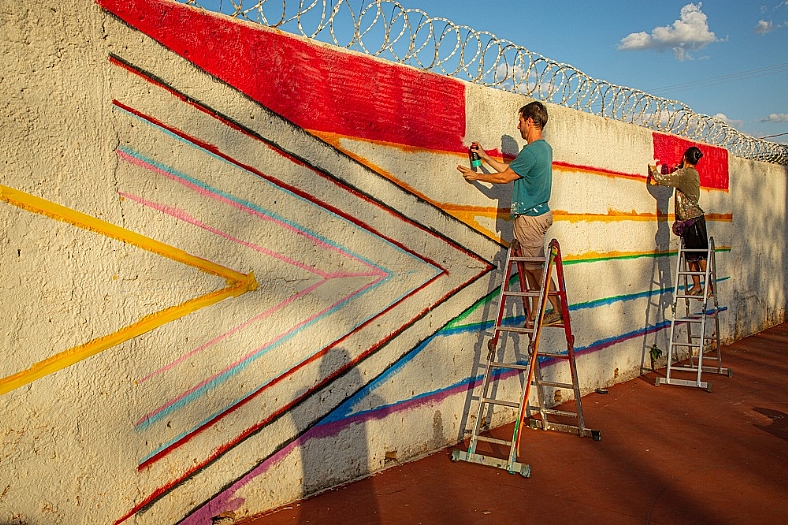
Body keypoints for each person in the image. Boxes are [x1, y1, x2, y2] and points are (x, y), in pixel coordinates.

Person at [457, 101, 562, 326]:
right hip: (539, 215)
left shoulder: (532, 152)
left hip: (529, 219)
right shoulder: (544, 149)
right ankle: (536, 314)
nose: (518, 126)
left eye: (521, 121)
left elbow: (505, 178)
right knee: (530, 267)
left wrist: (477, 177)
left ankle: (558, 309)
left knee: (534, 268)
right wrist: (484, 157)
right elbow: (510, 171)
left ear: (531, 121)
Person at [648, 146, 710, 296]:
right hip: (691, 221)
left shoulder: (684, 174)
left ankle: (708, 287)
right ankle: (697, 286)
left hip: (692, 220)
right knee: (691, 256)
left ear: (684, 157)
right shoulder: (692, 173)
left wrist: (653, 169)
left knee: (699, 256)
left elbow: (661, 179)